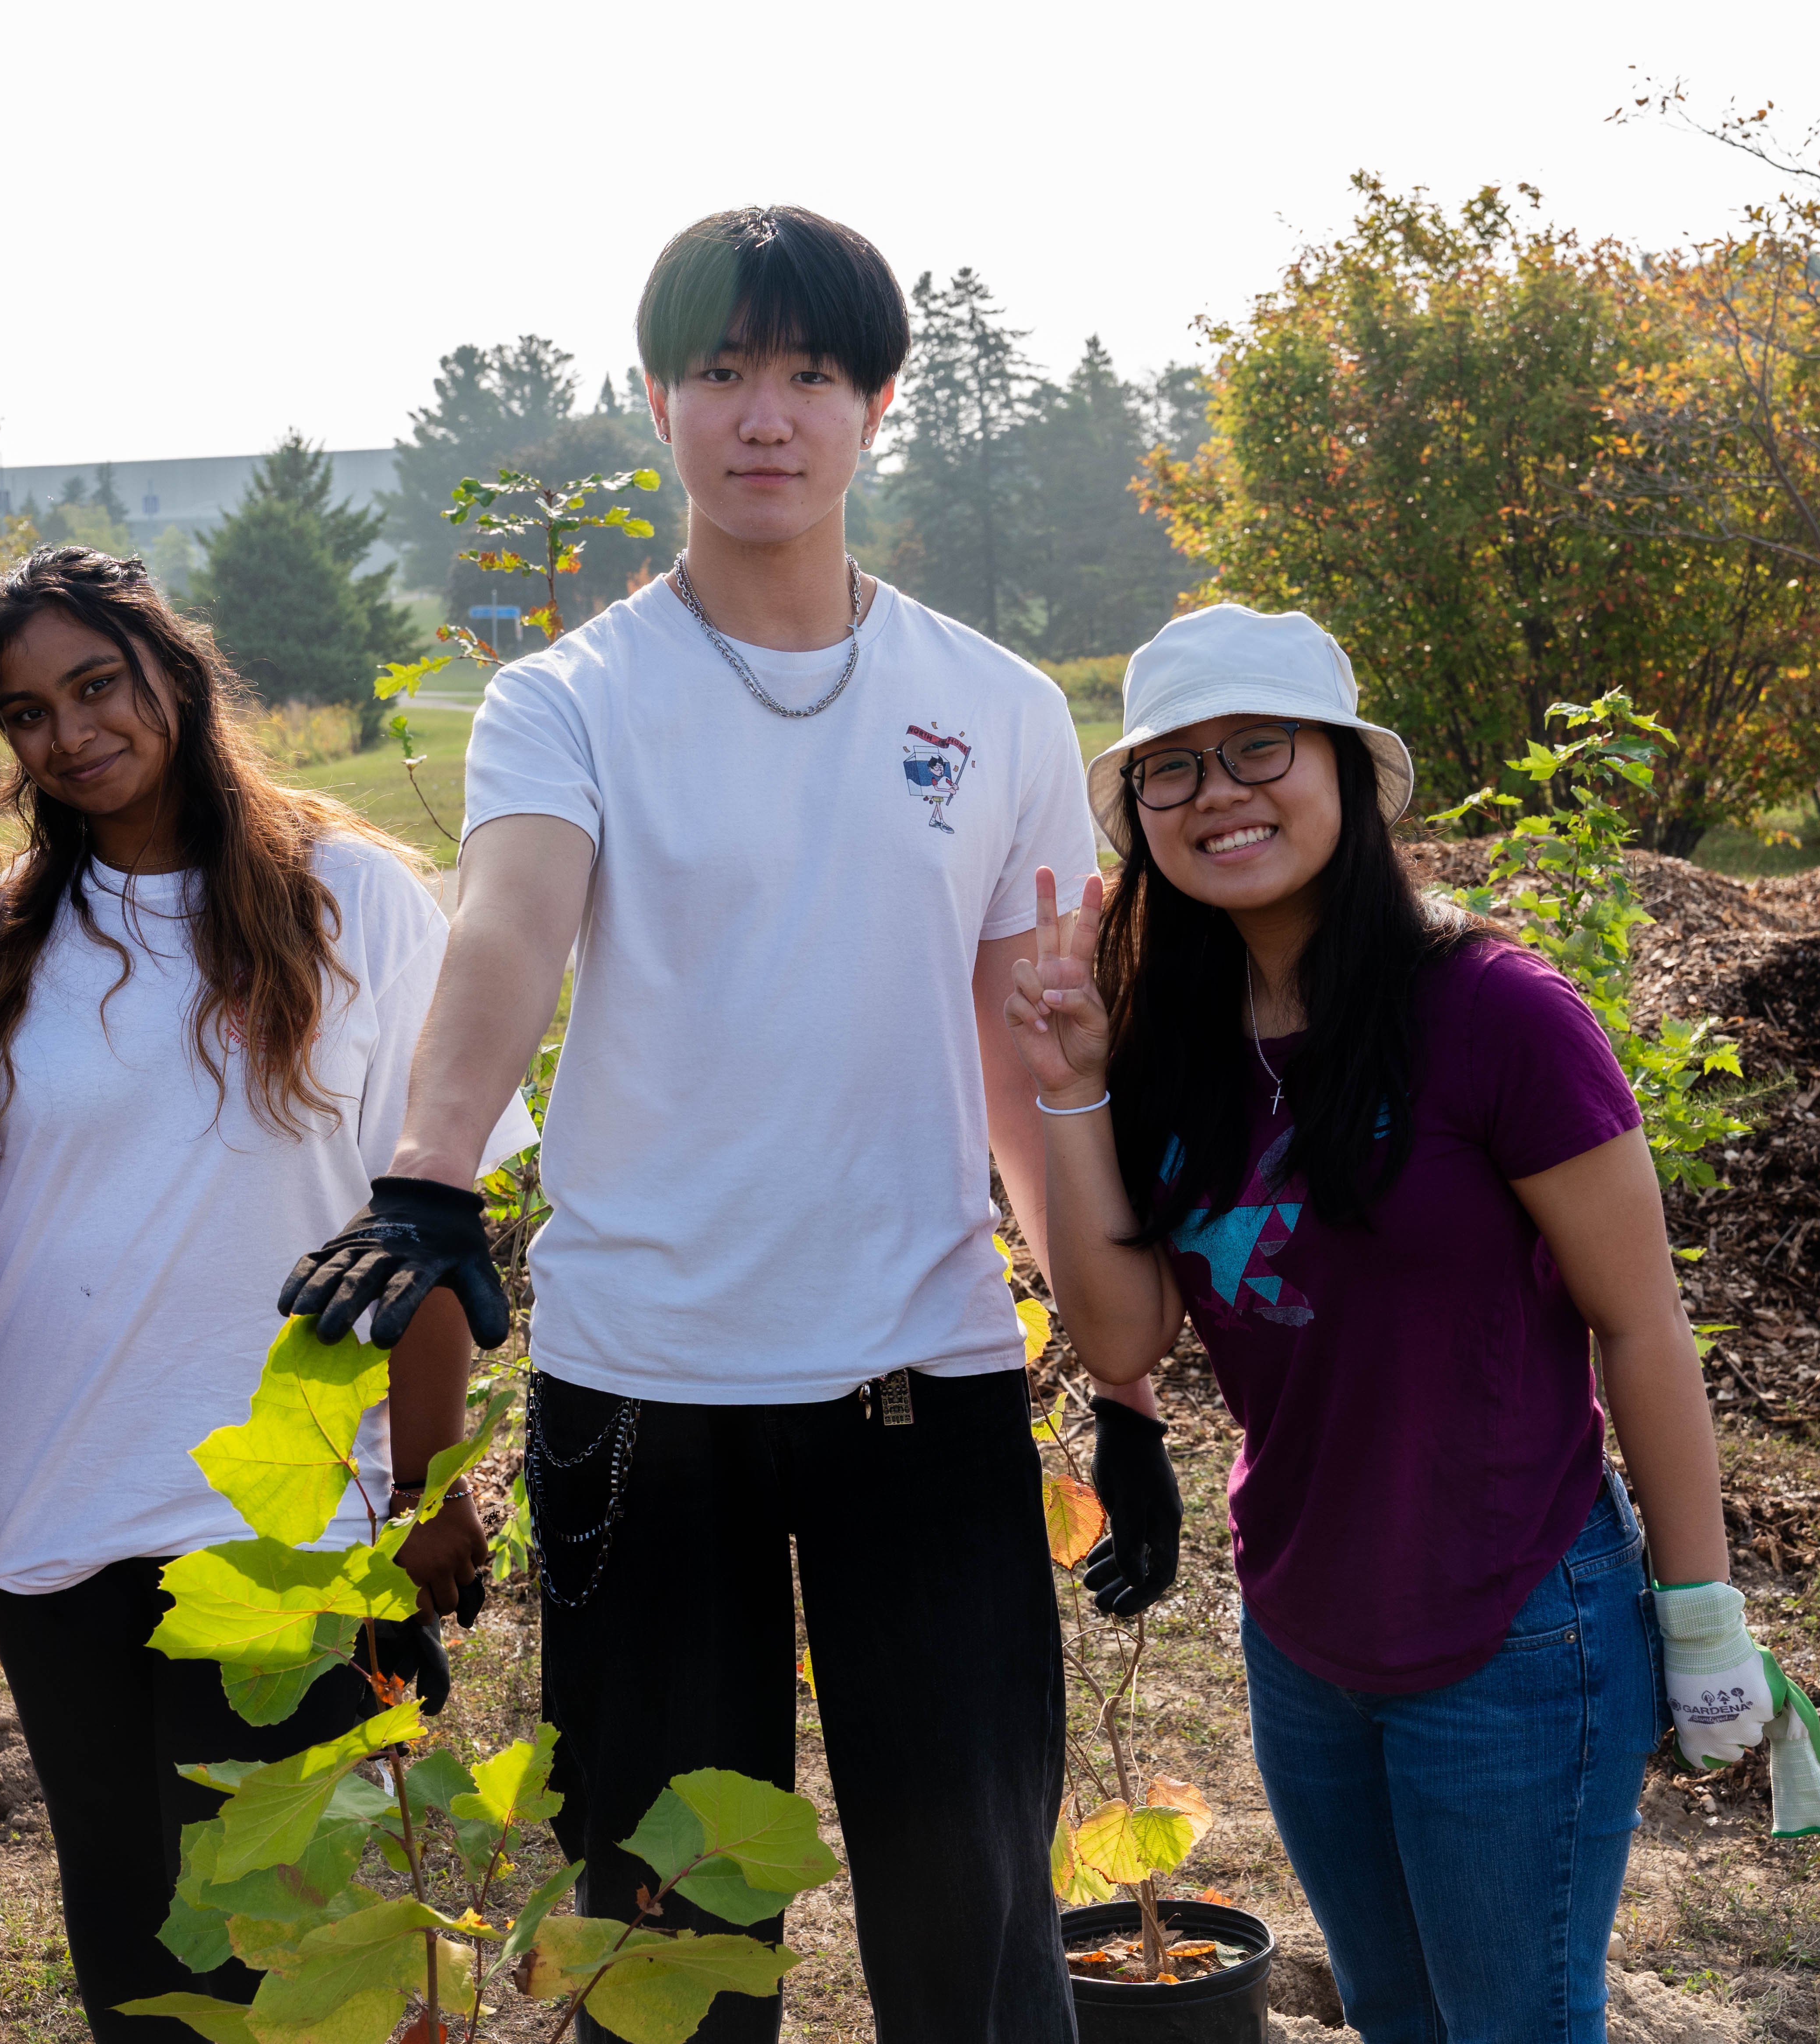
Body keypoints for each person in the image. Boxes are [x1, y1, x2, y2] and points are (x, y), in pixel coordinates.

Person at [280, 206, 1144, 2042]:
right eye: (725, 370)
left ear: (877, 407)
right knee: (661, 1931)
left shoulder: (992, 709)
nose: (768, 413)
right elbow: (511, 926)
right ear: (655, 400)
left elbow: (1026, 1058)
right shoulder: (569, 701)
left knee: (974, 1907)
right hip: (644, 1389)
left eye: (812, 373)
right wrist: (432, 1173)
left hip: (923, 1369)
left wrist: (1119, 1378)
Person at [1001, 604, 1820, 2043]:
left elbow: (1640, 1323)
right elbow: (1126, 1335)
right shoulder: (1167, 1044)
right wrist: (1076, 1087)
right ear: (1139, 814)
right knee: (1395, 2015)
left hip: (1513, 1628)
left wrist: (1701, 1617)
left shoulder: (1498, 1012)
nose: (1221, 793)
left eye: (1259, 748)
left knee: (1511, 2022)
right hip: (1302, 1630)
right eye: (1175, 769)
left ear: (1342, 769)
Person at [0, 548, 535, 2042]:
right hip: (50, 1497)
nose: (71, 733)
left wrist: (426, 1480)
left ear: (170, 670)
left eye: (96, 685)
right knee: (137, 1931)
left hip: (291, 1509)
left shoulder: (353, 895)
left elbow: (426, 1212)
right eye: (29, 712)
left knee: (303, 1927)